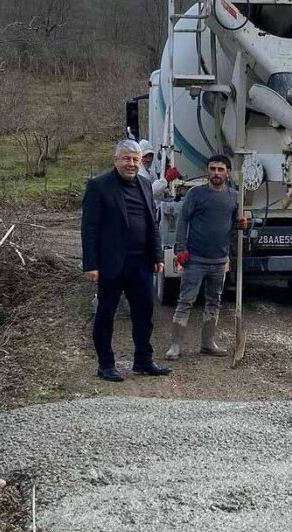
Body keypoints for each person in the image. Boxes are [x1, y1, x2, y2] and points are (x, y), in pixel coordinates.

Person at [82, 139, 172, 382]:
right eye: (127, 158)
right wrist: (90, 264)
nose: (131, 164)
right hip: (111, 263)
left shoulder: (144, 184)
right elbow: (89, 228)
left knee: (144, 314)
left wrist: (157, 255)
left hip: (141, 263)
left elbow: (152, 224)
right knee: (106, 314)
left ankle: (143, 361)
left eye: (136, 159)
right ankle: (106, 365)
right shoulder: (98, 186)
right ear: (116, 160)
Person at [165, 154, 248, 360]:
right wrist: (180, 248)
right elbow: (183, 221)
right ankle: (175, 345)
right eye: (212, 169)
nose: (216, 173)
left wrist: (245, 224)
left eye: (220, 169)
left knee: (214, 301)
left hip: (219, 261)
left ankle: (208, 343)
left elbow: (236, 225)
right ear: (207, 171)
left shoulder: (234, 197)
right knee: (186, 301)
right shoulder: (196, 194)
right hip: (195, 260)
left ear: (228, 173)